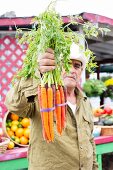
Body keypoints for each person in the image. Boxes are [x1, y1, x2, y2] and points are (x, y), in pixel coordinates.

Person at [5, 42, 98, 170]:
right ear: (56, 66)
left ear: (81, 71)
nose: (72, 70)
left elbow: (90, 141)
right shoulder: (38, 96)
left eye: (77, 66)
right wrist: (38, 73)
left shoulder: (85, 101)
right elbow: (13, 104)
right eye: (66, 64)